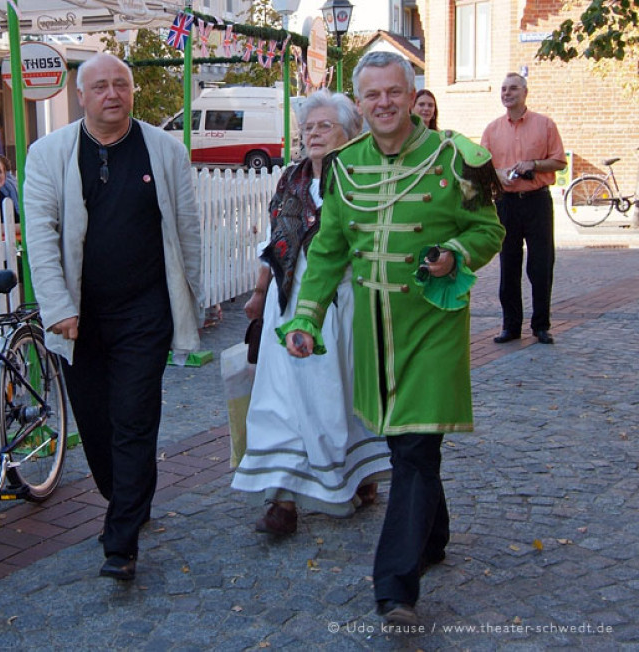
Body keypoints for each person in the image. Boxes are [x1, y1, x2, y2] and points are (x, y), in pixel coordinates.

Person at [280, 52, 505, 625]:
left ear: (412, 96)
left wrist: (456, 253)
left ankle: (394, 587)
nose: (383, 103)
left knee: (416, 445)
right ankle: (433, 537)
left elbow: (488, 229)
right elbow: (329, 251)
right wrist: (305, 317)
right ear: (359, 102)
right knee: (407, 442)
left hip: (432, 322)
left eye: (394, 93)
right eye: (372, 94)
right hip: (374, 325)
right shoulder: (345, 165)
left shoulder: (455, 158)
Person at [24, 53, 203, 582]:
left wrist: (189, 299)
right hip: (80, 317)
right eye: (99, 86)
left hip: (144, 311)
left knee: (134, 416)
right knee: (97, 426)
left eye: (120, 85)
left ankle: (120, 541)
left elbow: (187, 231)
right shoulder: (49, 153)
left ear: (132, 92)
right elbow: (40, 235)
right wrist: (59, 308)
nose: (111, 94)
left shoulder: (166, 151)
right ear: (81, 96)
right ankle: (126, 494)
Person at [230, 90, 391, 533]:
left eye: (325, 126)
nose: (314, 135)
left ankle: (356, 474)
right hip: (288, 308)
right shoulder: (291, 180)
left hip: (341, 306)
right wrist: (260, 293)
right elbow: (274, 240)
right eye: (308, 128)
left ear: (349, 132)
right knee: (279, 399)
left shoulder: (362, 178)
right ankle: (281, 501)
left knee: (334, 398)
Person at [481, 73, 566, 345]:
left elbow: (559, 161)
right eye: (504, 89)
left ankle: (541, 325)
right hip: (506, 203)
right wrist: (497, 173)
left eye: (513, 88)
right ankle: (511, 326)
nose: (507, 93)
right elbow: (481, 167)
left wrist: (534, 165)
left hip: (537, 201)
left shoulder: (545, 125)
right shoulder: (492, 130)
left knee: (541, 264)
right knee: (509, 265)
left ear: (525, 92)